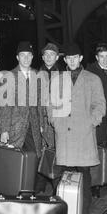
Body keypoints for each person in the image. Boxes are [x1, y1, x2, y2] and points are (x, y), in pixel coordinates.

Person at [48, 43, 106, 214]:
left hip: (84, 133)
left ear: (80, 59)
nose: (72, 61)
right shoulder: (57, 79)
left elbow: (100, 104)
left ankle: (84, 211)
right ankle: (62, 211)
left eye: (75, 57)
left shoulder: (93, 79)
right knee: (60, 175)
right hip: (63, 133)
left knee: (84, 175)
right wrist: (54, 122)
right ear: (65, 60)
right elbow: (50, 105)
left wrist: (92, 121)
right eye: (69, 58)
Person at [0, 41, 45, 193]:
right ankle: (11, 193)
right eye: (22, 55)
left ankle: (28, 194)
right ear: (17, 57)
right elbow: (5, 106)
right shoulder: (9, 76)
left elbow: (41, 103)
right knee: (13, 162)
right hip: (15, 127)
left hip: (34, 128)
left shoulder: (38, 76)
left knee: (34, 161)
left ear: (32, 57)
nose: (26, 58)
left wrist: (43, 125)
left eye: (29, 55)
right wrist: (4, 130)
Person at [39, 43, 62, 194]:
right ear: (42, 57)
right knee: (41, 153)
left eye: (52, 54)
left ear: (57, 57)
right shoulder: (36, 74)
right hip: (40, 120)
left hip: (57, 120)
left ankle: (57, 189)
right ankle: (39, 187)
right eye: (46, 54)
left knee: (56, 153)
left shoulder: (63, 75)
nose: (48, 57)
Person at [87, 43, 107, 148]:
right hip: (97, 118)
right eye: (101, 56)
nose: (105, 59)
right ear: (96, 57)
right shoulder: (89, 72)